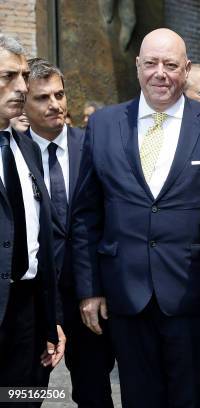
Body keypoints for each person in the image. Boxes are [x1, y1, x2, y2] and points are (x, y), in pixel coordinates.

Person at [71, 28, 200, 408]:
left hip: (195, 294)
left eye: (170, 65)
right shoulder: (103, 125)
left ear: (185, 69)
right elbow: (86, 213)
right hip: (125, 296)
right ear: (138, 66)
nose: (160, 73)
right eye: (151, 63)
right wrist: (89, 288)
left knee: (195, 398)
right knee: (139, 398)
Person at [24, 57, 116, 408]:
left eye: (60, 95)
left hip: (89, 294)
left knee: (94, 390)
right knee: (25, 390)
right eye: (43, 98)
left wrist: (99, 287)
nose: (55, 105)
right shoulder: (13, 152)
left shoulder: (93, 146)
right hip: (36, 299)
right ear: (25, 103)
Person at [0, 34, 65, 389]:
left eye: (23, 76)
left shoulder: (26, 147)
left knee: (23, 398)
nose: (21, 86)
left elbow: (40, 238)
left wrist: (50, 317)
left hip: (29, 315)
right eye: (7, 76)